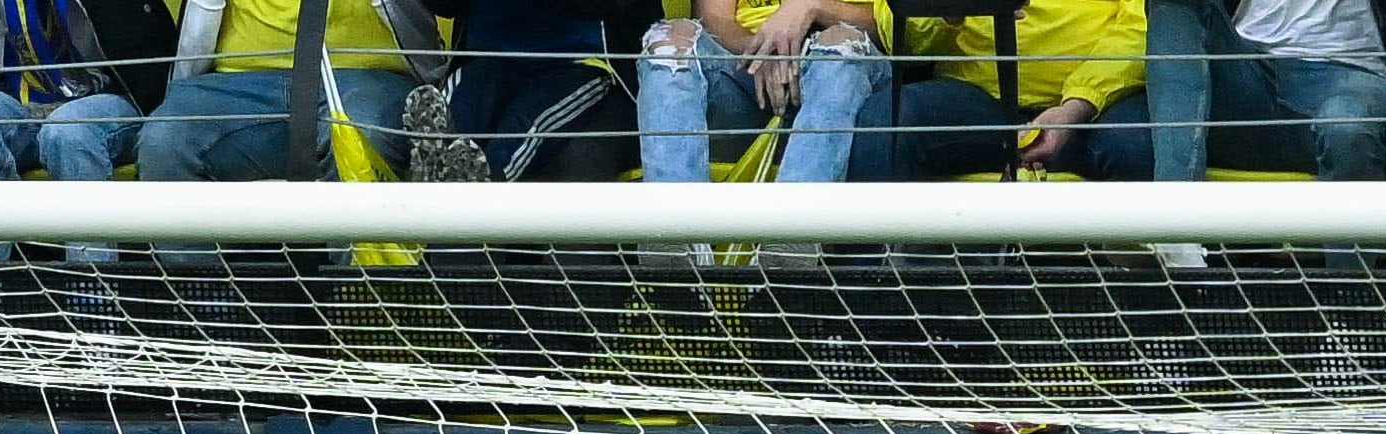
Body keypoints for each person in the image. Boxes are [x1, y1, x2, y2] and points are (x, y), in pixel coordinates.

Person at [0, 0, 179, 260]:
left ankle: (91, 292)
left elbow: (153, 42)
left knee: (68, 130)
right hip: (23, 102)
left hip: (112, 99)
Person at [135, 0, 438, 183]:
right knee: (165, 139)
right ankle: (199, 289)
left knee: (362, 137)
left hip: (367, 75)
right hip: (238, 81)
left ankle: (355, 287)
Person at [886, 0, 1151, 181]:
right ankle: (875, 262)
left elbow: (1146, 23)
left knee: (1140, 145)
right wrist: (945, 10)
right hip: (976, 97)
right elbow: (896, 32)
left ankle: (1142, 260)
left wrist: (1079, 103)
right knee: (891, 118)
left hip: (1098, 106)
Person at [1140, 0, 1386, 181]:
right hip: (1251, 73)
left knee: (1346, 124)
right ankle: (1175, 228)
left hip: (1350, 73)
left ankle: (1350, 264)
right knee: (1174, 5)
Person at [637, 0, 892, 186]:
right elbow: (715, 18)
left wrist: (812, 7)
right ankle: (674, 235)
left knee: (841, 46)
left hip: (846, 75)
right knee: (669, 38)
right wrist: (763, 49)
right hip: (746, 66)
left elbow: (892, 23)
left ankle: (792, 237)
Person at [401, 0, 656, 183]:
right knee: (463, 100)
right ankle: (434, 159)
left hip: (577, 62)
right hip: (488, 56)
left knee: (527, 123)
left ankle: (488, 176)